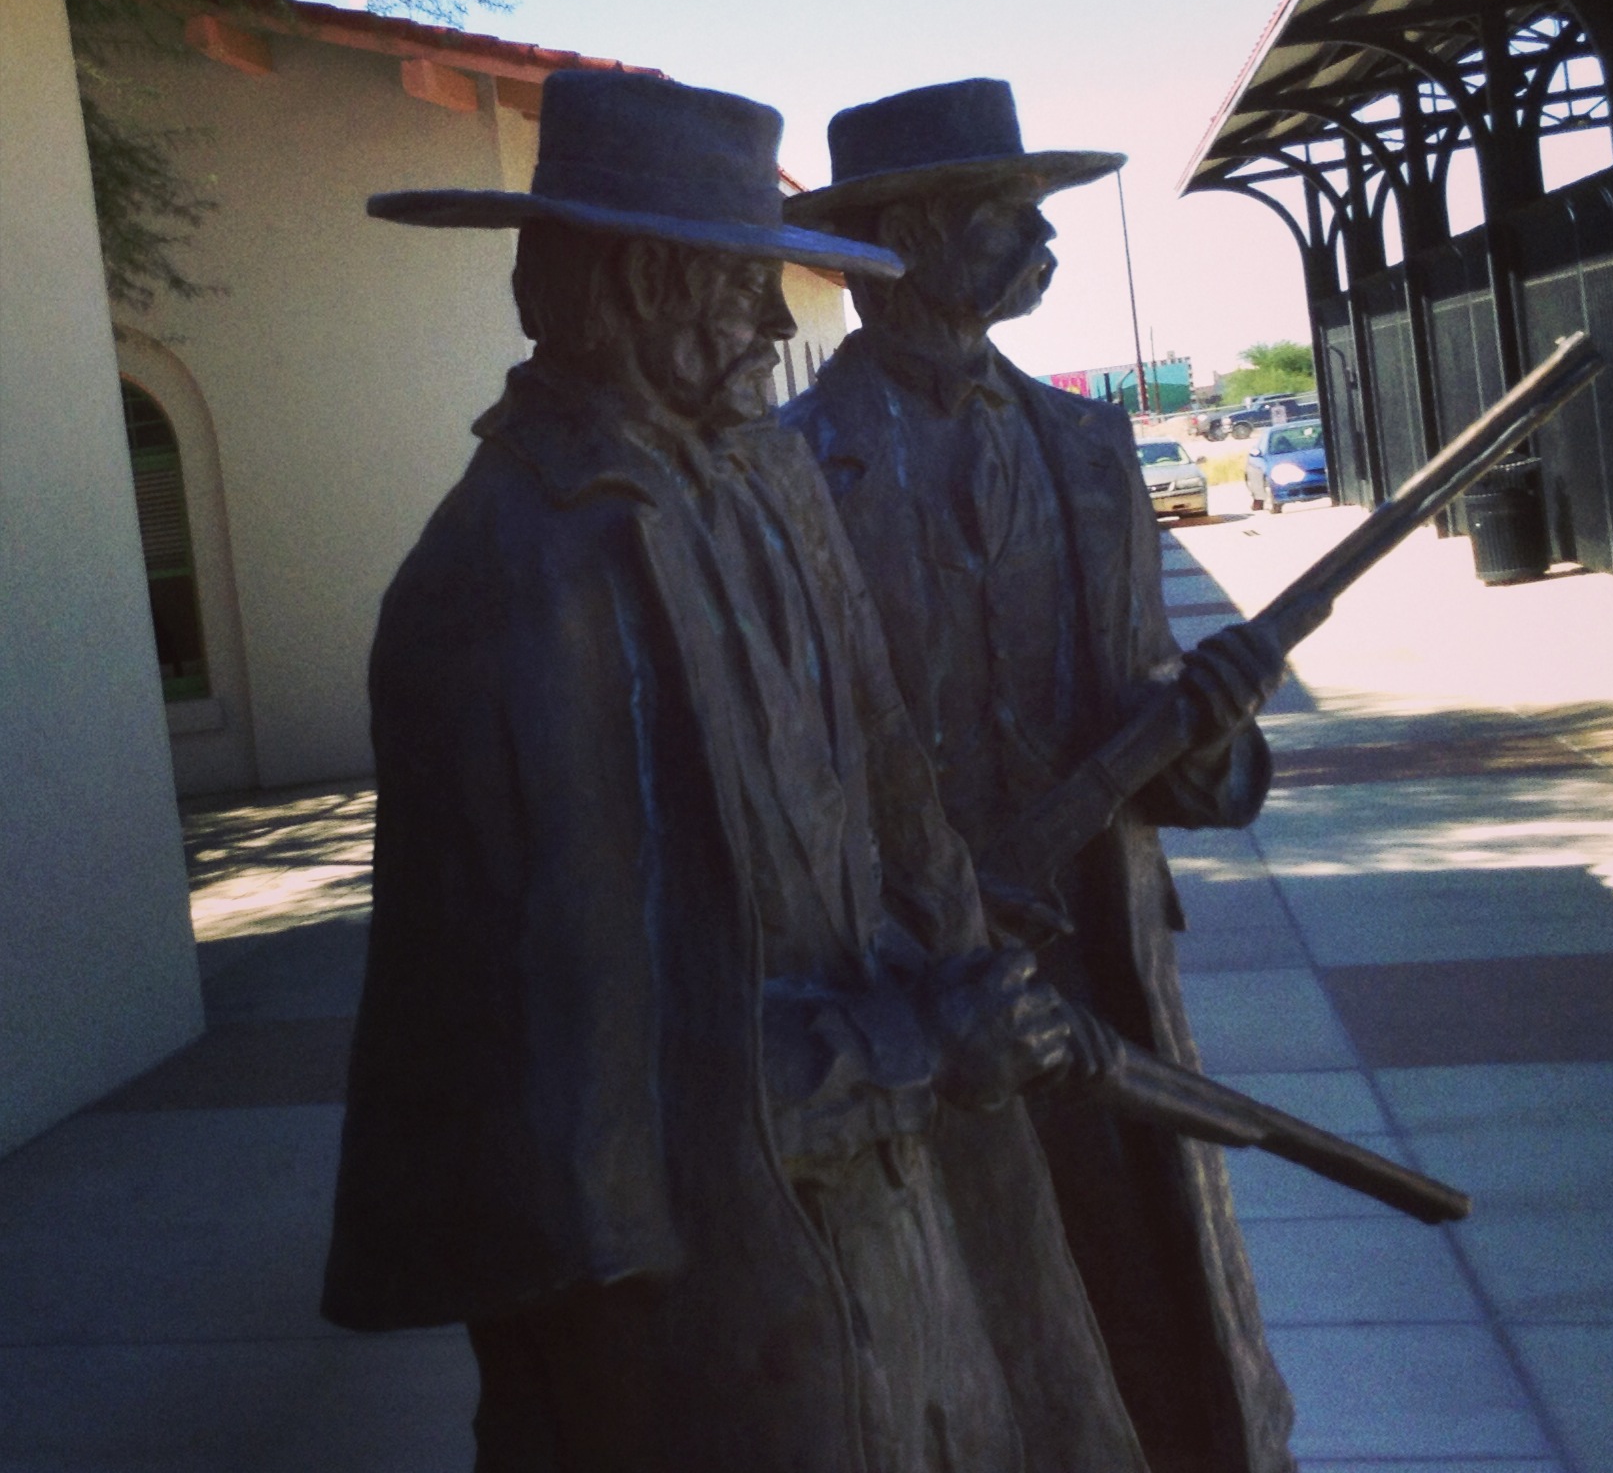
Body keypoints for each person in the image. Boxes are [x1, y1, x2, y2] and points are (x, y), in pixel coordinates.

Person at [322, 71, 1147, 1473]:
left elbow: (893, 794)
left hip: (879, 1199)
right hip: (706, 1301)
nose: (777, 325)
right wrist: (915, 1048)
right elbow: (578, 1071)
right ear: (645, 284)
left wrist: (970, 978)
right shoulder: (511, 579)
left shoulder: (764, 481)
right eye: (746, 285)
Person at [782, 78, 1296, 1473]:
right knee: (978, 1352)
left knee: (1157, 1328)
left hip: (1103, 973)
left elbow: (1151, 720)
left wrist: (1207, 739)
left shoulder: (1088, 450)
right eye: (1009, 216)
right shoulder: (789, 474)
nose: (1046, 242)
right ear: (906, 237)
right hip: (918, 1002)